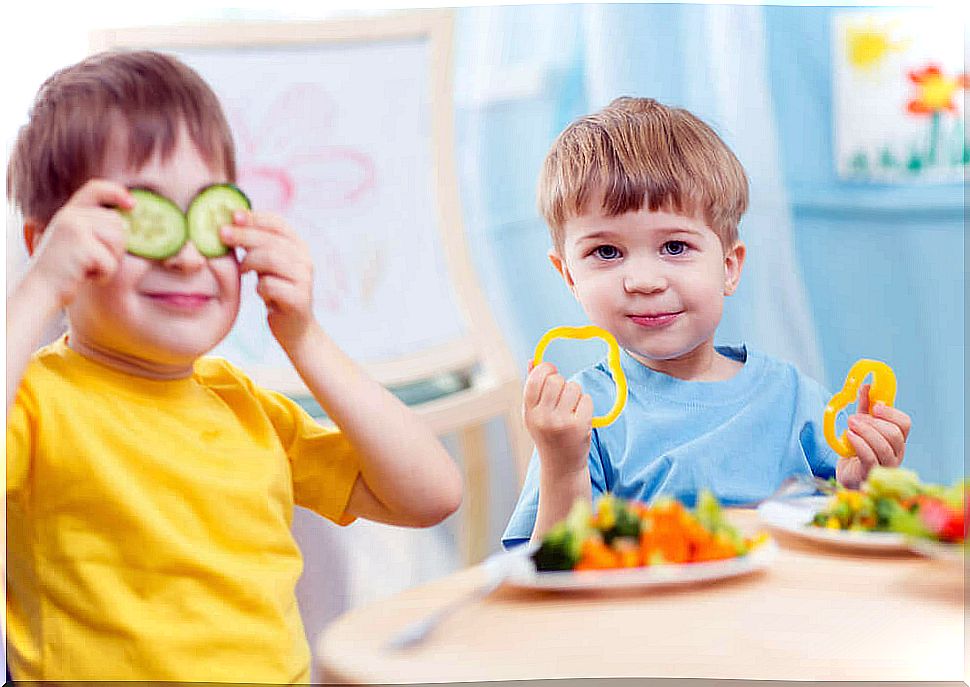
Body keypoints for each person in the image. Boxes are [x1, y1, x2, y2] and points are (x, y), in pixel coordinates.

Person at [4, 50, 462, 681]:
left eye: (209, 216)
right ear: (48, 243)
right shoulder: (35, 402)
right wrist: (34, 291)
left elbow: (431, 494)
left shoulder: (245, 407)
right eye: (142, 218)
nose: (188, 255)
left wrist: (304, 338)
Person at [502, 97, 912, 548]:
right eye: (606, 252)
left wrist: (865, 485)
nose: (643, 281)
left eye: (675, 247)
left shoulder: (795, 399)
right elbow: (549, 575)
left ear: (730, 266)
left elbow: (854, 544)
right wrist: (564, 466)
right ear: (569, 277)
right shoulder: (580, 421)